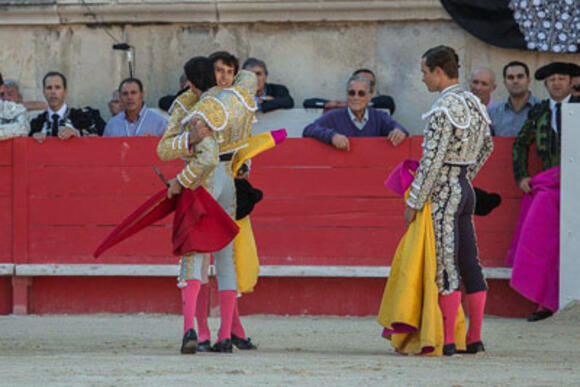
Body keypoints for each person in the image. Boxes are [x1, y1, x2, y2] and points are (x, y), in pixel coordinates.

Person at [405, 45, 493, 355]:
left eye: (425, 72)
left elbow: (431, 160)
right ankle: (475, 338)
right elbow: (487, 147)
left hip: (444, 194)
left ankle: (449, 340)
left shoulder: (443, 109)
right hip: (464, 190)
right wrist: (465, 176)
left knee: (447, 267)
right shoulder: (475, 104)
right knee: (471, 263)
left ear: (439, 72)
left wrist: (414, 201)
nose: (423, 78)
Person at [509, 62, 580, 322]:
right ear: (546, 84)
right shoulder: (539, 111)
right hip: (551, 186)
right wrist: (522, 176)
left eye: (562, 78)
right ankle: (545, 301)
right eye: (552, 80)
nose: (557, 83)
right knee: (545, 239)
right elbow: (520, 144)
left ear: (571, 82)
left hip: (578, 183)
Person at [302, 73, 408, 149]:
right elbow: (308, 130)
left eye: (361, 93)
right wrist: (332, 136)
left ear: (370, 96)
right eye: (352, 93)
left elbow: (400, 128)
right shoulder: (334, 116)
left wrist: (398, 131)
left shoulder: (379, 116)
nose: (355, 97)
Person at [29, 71, 105, 142]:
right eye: (49, 88)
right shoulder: (36, 123)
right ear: (44, 92)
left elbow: (101, 139)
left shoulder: (84, 116)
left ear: (65, 92)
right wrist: (33, 140)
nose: (53, 92)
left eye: (57, 87)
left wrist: (76, 133)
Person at [303, 68, 397, 115]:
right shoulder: (339, 106)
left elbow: (388, 102)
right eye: (360, 80)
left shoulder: (379, 104)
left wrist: (356, 104)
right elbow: (308, 103)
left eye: (370, 83)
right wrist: (330, 104)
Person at [488, 61, 540, 136]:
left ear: (528, 80)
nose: (515, 81)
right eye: (510, 77)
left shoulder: (543, 109)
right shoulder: (493, 113)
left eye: (520, 77)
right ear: (505, 83)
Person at [103, 78, 167, 137]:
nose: (129, 97)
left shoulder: (160, 123)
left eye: (133, 93)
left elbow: (171, 147)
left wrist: (154, 142)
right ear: (120, 97)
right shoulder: (112, 125)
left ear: (142, 95)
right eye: (125, 94)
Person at [0, 73, 29, 140]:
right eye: (3, 95)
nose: (6, 97)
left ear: (1, 88)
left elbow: (22, 129)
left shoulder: (19, 111)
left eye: (10, 94)